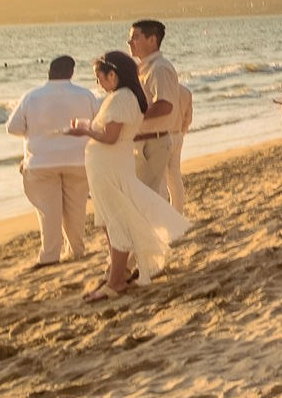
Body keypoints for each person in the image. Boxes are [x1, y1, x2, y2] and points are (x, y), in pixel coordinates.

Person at [67, 52, 191, 302]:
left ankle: (116, 281)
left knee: (116, 222)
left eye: (99, 76)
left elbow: (111, 137)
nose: (97, 82)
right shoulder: (124, 97)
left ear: (113, 75)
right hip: (109, 165)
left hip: (110, 167)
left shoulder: (121, 98)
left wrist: (84, 130)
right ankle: (118, 274)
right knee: (112, 221)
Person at [6, 56, 97, 269]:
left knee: (48, 211)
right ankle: (76, 249)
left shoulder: (31, 96)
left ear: (49, 71)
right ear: (71, 73)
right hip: (78, 159)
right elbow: (97, 122)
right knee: (76, 208)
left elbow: (13, 128)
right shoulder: (85, 95)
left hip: (41, 161)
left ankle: (49, 255)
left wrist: (37, 130)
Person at [127, 20, 181, 194]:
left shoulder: (159, 68)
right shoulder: (144, 68)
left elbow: (165, 105)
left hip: (154, 142)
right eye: (130, 38)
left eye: (135, 37)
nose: (130, 42)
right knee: (147, 196)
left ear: (152, 40)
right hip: (145, 141)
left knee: (150, 197)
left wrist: (134, 117)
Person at [167, 84, 193, 212]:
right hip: (178, 135)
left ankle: (168, 216)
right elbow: (188, 119)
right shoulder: (185, 91)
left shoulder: (164, 91)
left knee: (160, 180)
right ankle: (178, 213)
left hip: (164, 137)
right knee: (175, 178)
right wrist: (181, 133)